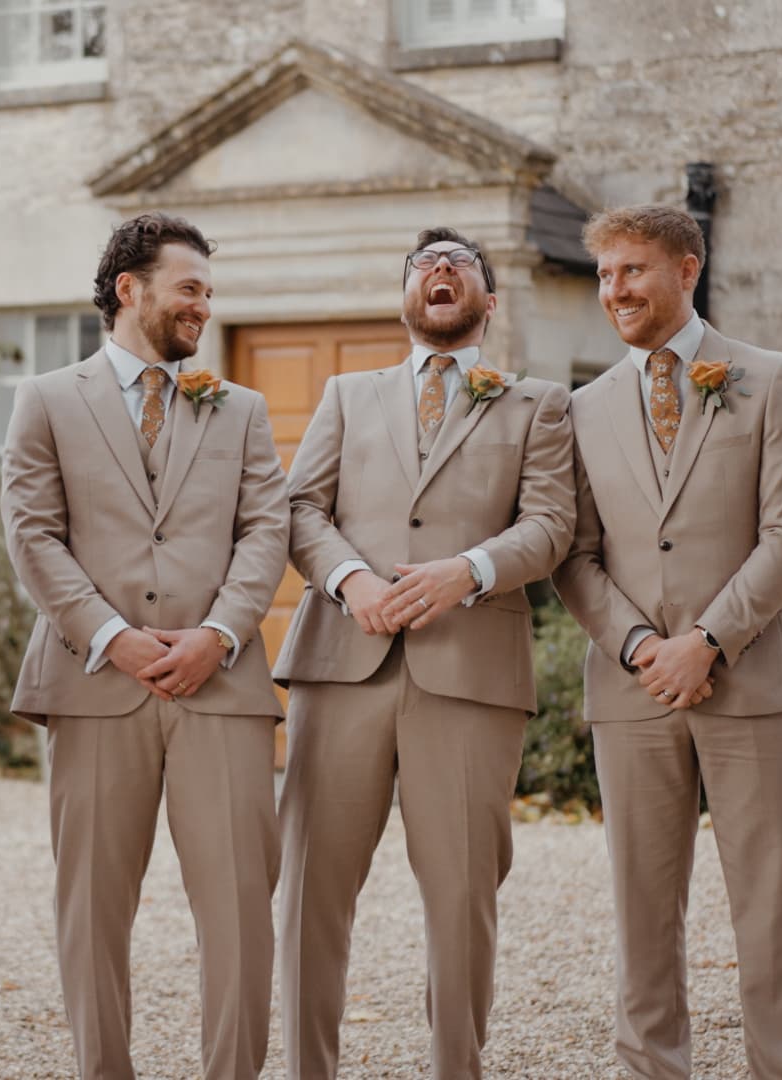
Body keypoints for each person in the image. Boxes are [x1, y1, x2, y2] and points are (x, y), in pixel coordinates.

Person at [273, 227, 575, 1079]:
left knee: (463, 897)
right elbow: (301, 511)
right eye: (423, 265)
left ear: (489, 298)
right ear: (404, 296)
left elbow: (552, 524)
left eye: (459, 265)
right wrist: (348, 584)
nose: (439, 273)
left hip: (470, 676)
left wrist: (469, 572)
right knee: (310, 898)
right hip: (341, 664)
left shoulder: (538, 404)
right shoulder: (344, 393)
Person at [0, 212, 289, 1079]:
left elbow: (265, 530)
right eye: (189, 288)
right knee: (91, 908)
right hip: (93, 684)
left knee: (240, 907)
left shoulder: (241, 408)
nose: (204, 305)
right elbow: (33, 534)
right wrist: (112, 637)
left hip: (221, 684)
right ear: (130, 289)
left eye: (209, 290)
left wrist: (219, 634)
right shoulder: (45, 399)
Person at [553, 203, 782, 1079]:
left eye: (632, 270)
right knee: (641, 905)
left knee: (770, 900)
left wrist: (707, 640)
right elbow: (575, 554)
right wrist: (639, 646)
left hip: (751, 681)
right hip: (631, 690)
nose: (615, 290)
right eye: (604, 275)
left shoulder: (770, 377)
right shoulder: (583, 407)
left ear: (686, 269)